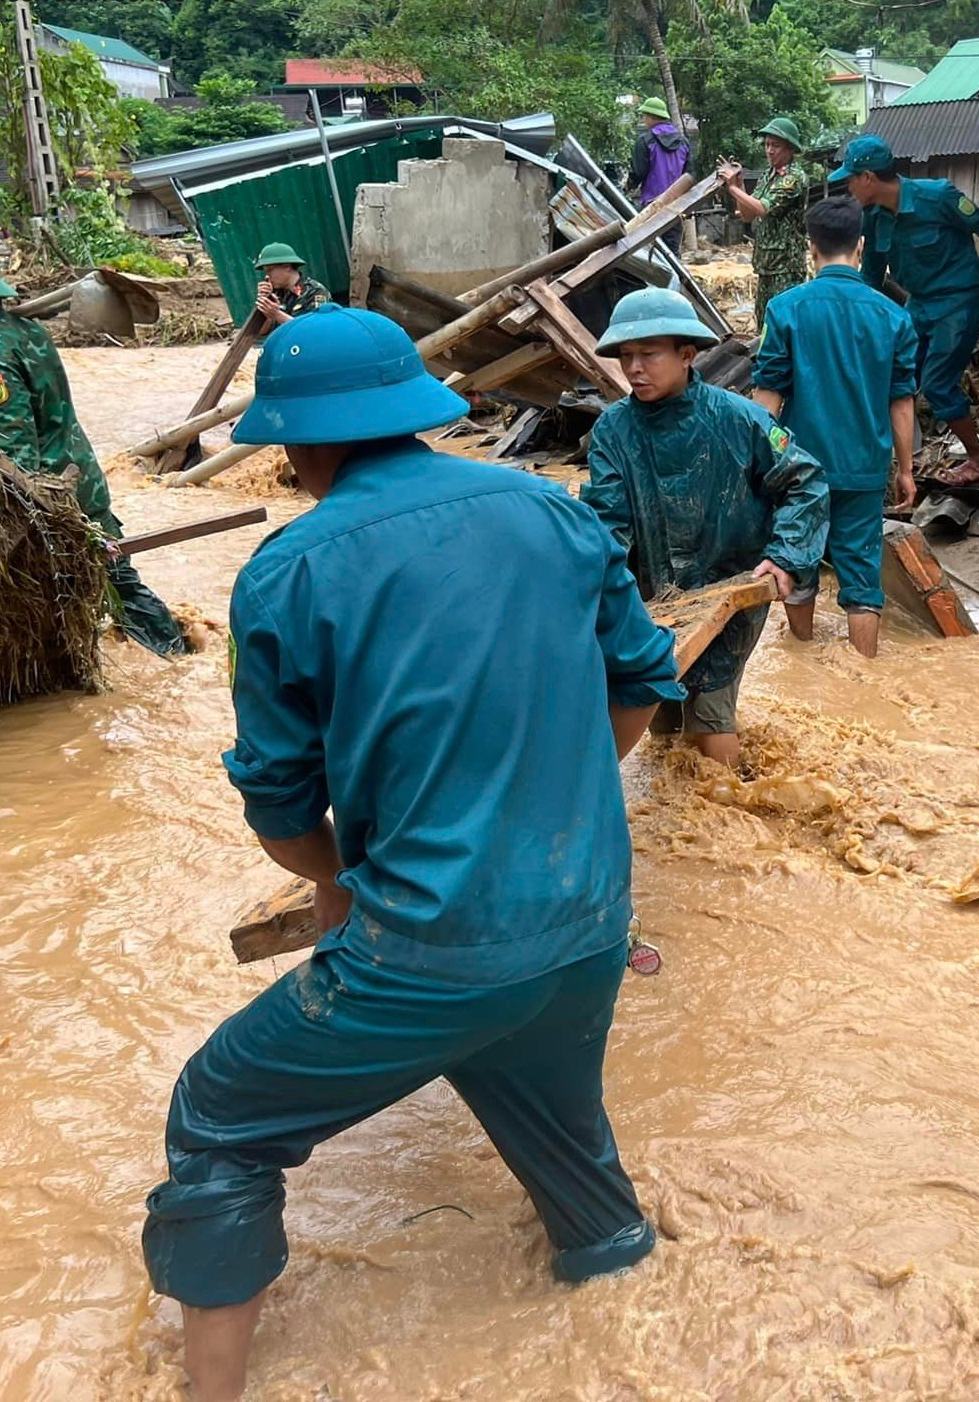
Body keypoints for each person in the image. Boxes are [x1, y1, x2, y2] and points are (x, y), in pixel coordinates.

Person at [143, 305, 681, 1401]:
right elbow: (637, 687)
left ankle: (207, 1392)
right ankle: (631, 1322)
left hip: (427, 949)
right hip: (584, 925)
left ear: (299, 443)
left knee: (218, 1115)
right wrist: (551, 807)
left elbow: (279, 802)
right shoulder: (555, 512)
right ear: (416, 412)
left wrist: (340, 885)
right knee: (568, 1156)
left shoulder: (289, 569)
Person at [583, 287, 827, 770]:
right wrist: (593, 589)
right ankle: (681, 815)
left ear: (687, 355)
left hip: (729, 587)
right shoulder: (613, 430)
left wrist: (786, 555)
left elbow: (806, 482)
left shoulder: (740, 419)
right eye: (626, 356)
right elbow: (606, 521)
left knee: (710, 715)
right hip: (653, 600)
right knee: (659, 711)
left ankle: (739, 818)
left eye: (649, 355)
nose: (634, 368)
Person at [0, 248, 189, 656]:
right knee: (120, 583)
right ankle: (176, 652)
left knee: (108, 586)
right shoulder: (24, 330)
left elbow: (12, 450)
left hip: (55, 494)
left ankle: (169, 653)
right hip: (83, 474)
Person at [750, 196, 918, 658]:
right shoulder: (894, 316)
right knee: (862, 574)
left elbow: (768, 394)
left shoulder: (785, 309)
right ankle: (864, 673)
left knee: (799, 565)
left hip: (799, 470)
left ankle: (803, 657)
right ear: (860, 247)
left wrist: (753, 458)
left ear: (811, 249)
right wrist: (905, 469)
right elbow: (901, 402)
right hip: (864, 466)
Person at [831, 134, 979, 489]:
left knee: (938, 382)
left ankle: (977, 460)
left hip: (958, 298)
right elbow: (872, 276)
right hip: (920, 302)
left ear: (867, 178)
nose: (848, 188)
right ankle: (896, 460)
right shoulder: (874, 218)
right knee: (895, 369)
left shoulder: (936, 195)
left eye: (850, 180)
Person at [719, 116, 812, 325]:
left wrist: (732, 188)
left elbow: (763, 208)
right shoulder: (767, 175)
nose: (769, 150)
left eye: (776, 146)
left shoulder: (794, 177)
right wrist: (740, 185)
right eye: (767, 145)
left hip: (786, 266)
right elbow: (748, 214)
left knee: (784, 324)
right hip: (765, 264)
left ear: (789, 149)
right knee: (763, 324)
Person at [627, 97, 691, 211]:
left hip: (652, 206)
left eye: (644, 116)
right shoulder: (683, 142)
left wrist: (629, 186)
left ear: (650, 117)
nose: (643, 119)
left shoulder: (645, 141)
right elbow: (688, 174)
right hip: (677, 207)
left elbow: (639, 172)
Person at [251, 243, 328, 328]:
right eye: (266, 271)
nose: (267, 276)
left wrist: (277, 315)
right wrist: (265, 305)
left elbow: (315, 329)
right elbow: (262, 332)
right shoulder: (275, 293)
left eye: (270, 270)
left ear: (287, 266)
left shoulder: (314, 291)